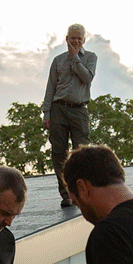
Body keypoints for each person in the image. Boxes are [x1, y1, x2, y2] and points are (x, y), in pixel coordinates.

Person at [42, 23, 98, 208]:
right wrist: (46, 113)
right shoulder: (58, 60)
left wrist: (75, 58)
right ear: (66, 39)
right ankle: (66, 194)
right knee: (59, 153)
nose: (75, 41)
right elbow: (50, 87)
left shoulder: (90, 58)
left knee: (82, 152)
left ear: (84, 40)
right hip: (59, 109)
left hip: (79, 109)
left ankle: (82, 193)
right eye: (72, 38)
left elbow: (87, 78)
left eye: (79, 38)